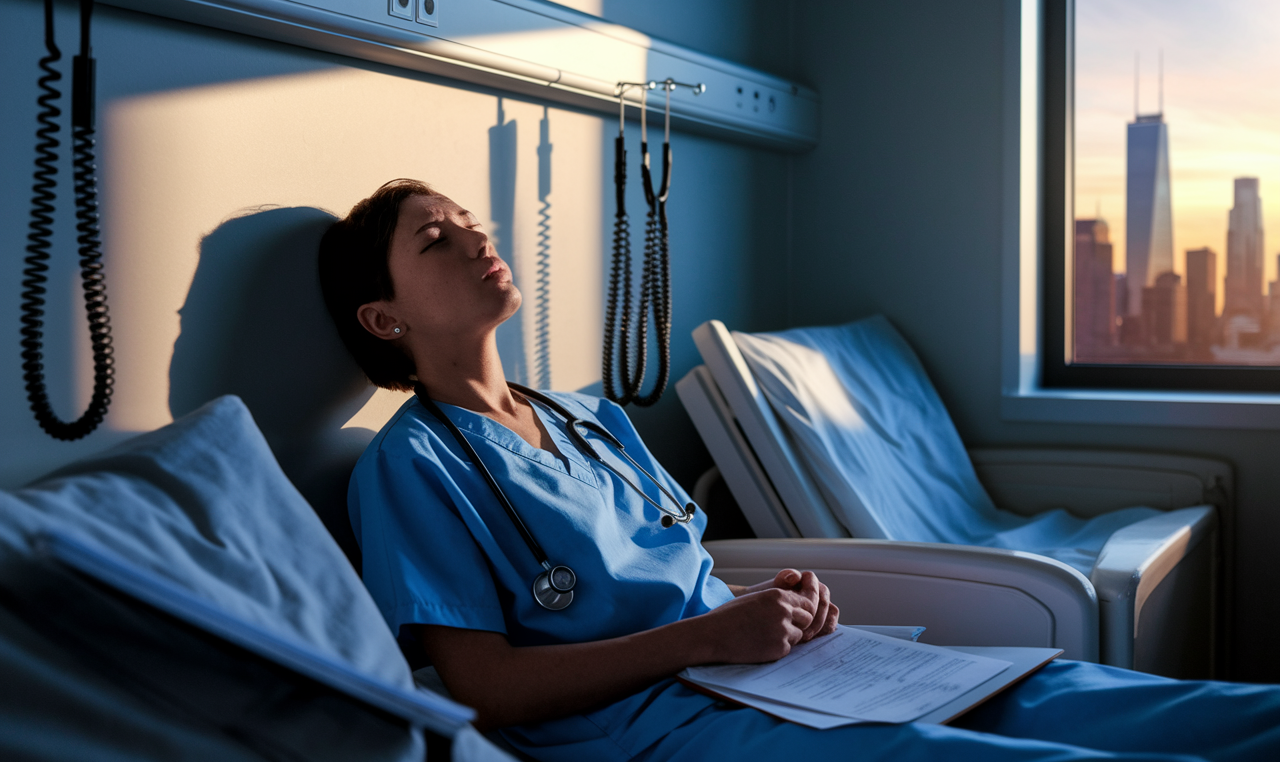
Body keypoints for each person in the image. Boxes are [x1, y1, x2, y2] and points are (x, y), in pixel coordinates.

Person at [319, 179, 1280, 762]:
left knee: (1069, 697)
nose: (477, 238)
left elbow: (675, 567)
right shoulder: (412, 466)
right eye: (434, 240)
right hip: (653, 726)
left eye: (469, 220)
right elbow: (487, 689)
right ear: (384, 318)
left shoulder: (589, 414)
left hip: (780, 672)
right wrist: (711, 640)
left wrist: (772, 602)